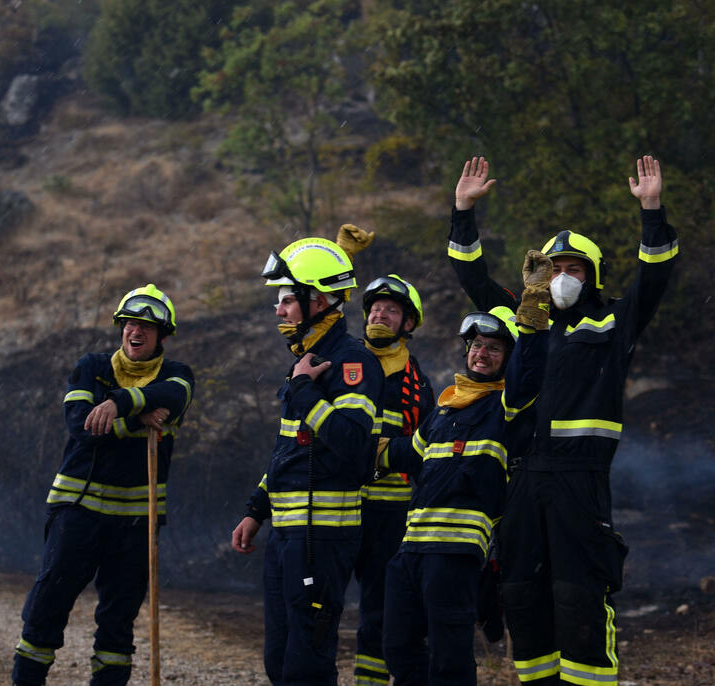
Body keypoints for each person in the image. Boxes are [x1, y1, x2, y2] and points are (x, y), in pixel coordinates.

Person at [450, 155, 678, 684]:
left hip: (580, 482)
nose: (562, 278)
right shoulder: (524, 315)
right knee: (522, 600)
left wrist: (651, 210)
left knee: (580, 600)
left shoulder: (614, 321)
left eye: (573, 268)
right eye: (554, 269)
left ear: (591, 275)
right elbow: (471, 275)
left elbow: (657, 272)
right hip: (523, 481)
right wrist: (463, 212)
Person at [378, 247, 551, 686]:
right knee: (396, 647)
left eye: (494, 349)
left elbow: (531, 371)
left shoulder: (506, 408)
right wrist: (356, 447)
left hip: (456, 554)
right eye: (476, 345)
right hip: (411, 550)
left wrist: (533, 305)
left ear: (506, 359)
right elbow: (405, 454)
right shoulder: (444, 409)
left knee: (450, 660)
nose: (482, 354)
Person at [12, 284, 194, 686]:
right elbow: (81, 426)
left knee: (118, 622)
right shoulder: (91, 366)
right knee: (47, 606)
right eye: (130, 322)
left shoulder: (177, 375)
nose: (136, 331)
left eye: (147, 326)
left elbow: (173, 396)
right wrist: (135, 416)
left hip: (136, 521)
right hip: (77, 511)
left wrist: (117, 403)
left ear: (163, 335)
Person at [232, 237, 385, 686]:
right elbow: (290, 451)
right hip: (287, 536)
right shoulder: (308, 363)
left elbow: (353, 442)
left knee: (307, 664)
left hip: (323, 538)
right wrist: (256, 509)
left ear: (316, 301)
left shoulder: (352, 363)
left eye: (285, 300)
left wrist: (304, 392)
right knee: (279, 662)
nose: (278, 311)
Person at [354, 273, 435, 686]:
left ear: (409, 323)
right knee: (318, 602)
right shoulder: (342, 361)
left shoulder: (420, 385)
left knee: (380, 610)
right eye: (375, 308)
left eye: (392, 310)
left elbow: (428, 450)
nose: (380, 315)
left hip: (391, 512)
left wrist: (384, 453)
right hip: (338, 506)